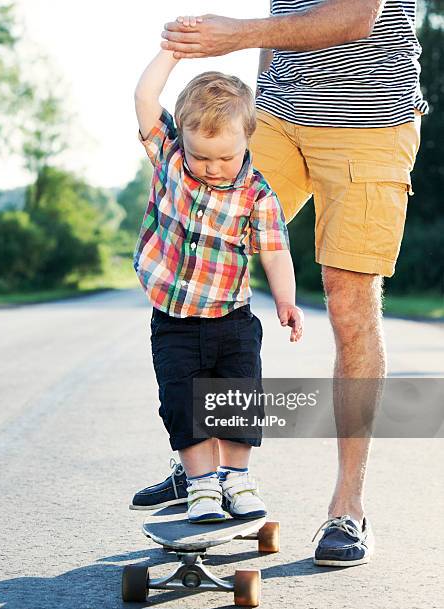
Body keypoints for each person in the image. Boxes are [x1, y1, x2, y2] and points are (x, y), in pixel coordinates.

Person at [132, 0, 425, 565]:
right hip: (278, 117)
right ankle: (203, 465)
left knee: (348, 297)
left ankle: (348, 507)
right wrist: (252, 96)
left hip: (371, 117)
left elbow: (356, 16)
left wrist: (234, 35)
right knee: (210, 255)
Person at [132, 34, 304, 524]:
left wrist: (286, 299)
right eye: (200, 156)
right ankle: (202, 486)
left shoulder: (258, 194)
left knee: (237, 400)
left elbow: (273, 249)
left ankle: (237, 479)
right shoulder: (169, 158)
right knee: (183, 404)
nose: (211, 168)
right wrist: (172, 53)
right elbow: (145, 99)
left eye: (224, 158)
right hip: (174, 321)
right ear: (181, 141)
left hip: (232, 318)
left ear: (248, 139)